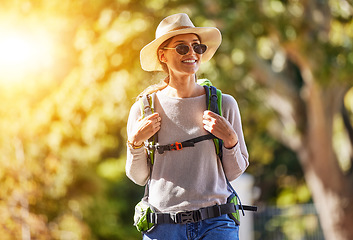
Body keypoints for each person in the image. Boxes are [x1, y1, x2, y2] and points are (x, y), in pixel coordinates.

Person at [126, 13, 249, 240]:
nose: (192, 53)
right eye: (182, 48)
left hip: (216, 224)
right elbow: (138, 177)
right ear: (162, 55)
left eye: (197, 47)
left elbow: (235, 172)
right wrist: (135, 143)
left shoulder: (224, 105)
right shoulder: (144, 109)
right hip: (162, 227)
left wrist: (231, 140)